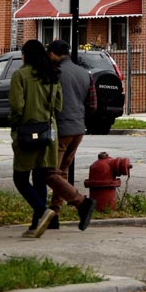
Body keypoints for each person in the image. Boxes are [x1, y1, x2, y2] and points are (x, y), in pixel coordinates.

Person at [10, 39, 63, 238]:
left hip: (27, 132)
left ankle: (42, 212)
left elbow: (17, 107)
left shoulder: (20, 75)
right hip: (48, 132)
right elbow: (58, 106)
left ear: (26, 55)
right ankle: (36, 225)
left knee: (20, 178)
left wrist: (15, 125)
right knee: (40, 178)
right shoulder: (53, 75)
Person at [44, 40, 95, 231]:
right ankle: (54, 214)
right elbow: (92, 104)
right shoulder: (84, 73)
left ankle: (81, 202)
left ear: (54, 54)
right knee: (62, 171)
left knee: (49, 172)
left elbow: (49, 101)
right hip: (78, 128)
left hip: (61, 129)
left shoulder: (55, 73)